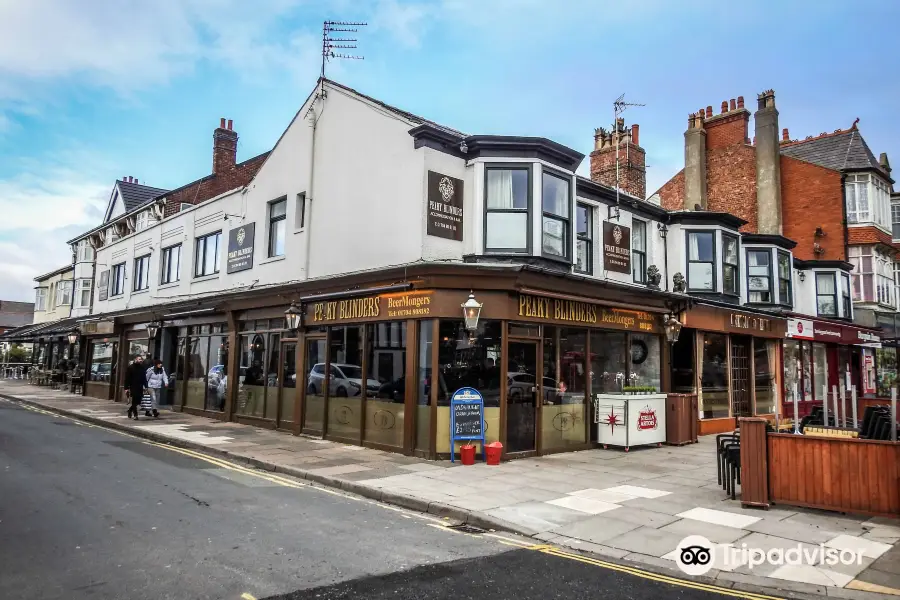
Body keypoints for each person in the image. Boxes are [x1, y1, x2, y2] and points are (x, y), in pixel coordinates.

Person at [123, 355, 146, 419]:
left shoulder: (142, 367)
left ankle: (130, 411)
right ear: (135, 360)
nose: (140, 360)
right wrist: (126, 388)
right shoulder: (130, 367)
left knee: (138, 401)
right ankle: (136, 415)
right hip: (133, 386)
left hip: (140, 386)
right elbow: (127, 379)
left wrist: (145, 386)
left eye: (141, 359)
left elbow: (144, 378)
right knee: (134, 401)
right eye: (139, 359)